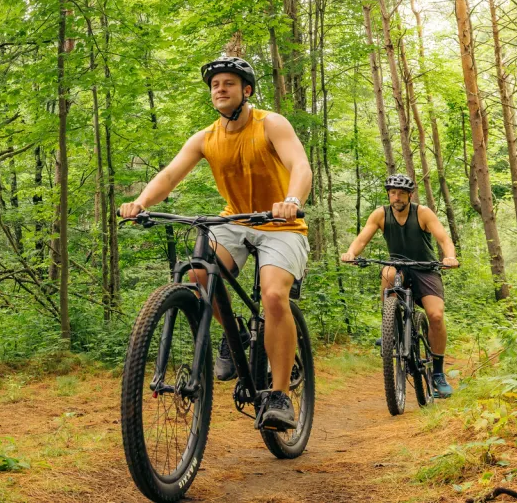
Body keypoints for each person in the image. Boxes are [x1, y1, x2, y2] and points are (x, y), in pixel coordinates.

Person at [119, 55, 313, 431]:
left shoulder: (271, 124)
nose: (220, 89)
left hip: (281, 223)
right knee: (196, 274)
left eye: (228, 83)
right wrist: (141, 202)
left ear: (247, 90)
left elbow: (300, 165)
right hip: (235, 219)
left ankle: (278, 395)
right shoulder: (205, 138)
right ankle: (235, 334)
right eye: (215, 85)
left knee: (274, 296)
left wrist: (292, 200)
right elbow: (171, 174)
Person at [341, 174, 459, 397]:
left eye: (401, 193)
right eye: (393, 193)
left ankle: (438, 374)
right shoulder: (380, 214)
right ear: (389, 195)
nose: (397, 197)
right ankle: (390, 329)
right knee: (387, 272)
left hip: (425, 268)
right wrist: (350, 253)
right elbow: (362, 239)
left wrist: (449, 257)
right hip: (398, 267)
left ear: (409, 195)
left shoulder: (422, 213)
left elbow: (444, 239)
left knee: (435, 316)